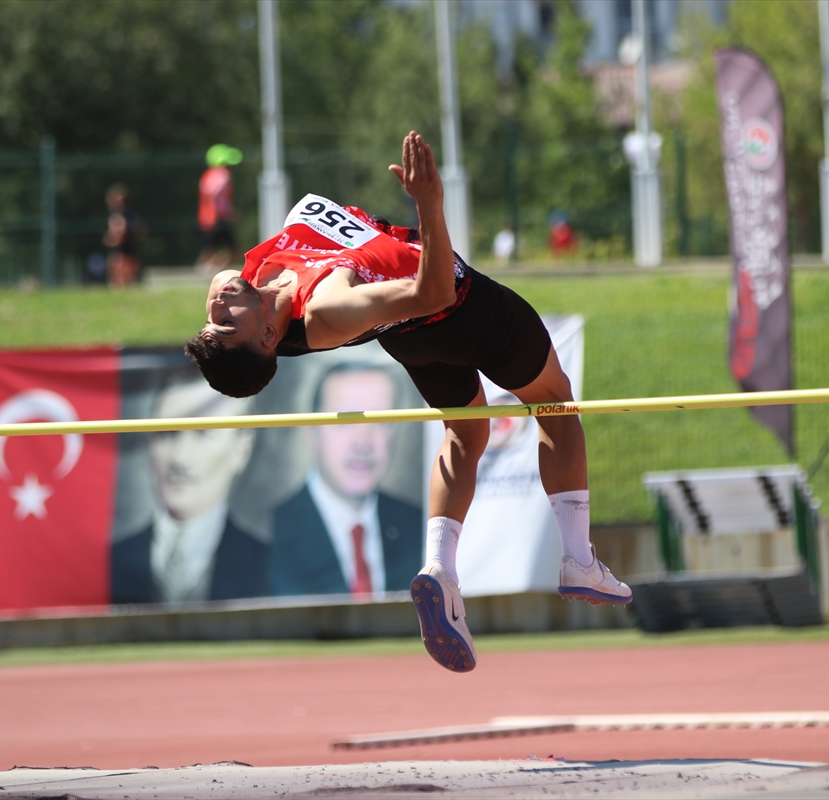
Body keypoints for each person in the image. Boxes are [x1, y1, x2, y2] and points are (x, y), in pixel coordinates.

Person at [185, 132, 631, 673]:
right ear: (266, 340)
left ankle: (439, 570)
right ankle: (578, 559)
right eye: (225, 322)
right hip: (465, 310)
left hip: (414, 339)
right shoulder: (327, 309)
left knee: (466, 433)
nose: (219, 304)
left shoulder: (254, 281)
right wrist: (430, 206)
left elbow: (236, 277)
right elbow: (433, 293)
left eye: (211, 316)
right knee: (554, 404)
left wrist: (225, 306)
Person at [111, 368, 268, 604]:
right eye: (167, 434)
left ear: (242, 449)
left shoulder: (268, 561)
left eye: (203, 434)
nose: (180, 459)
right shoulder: (111, 560)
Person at [269, 362, 423, 597]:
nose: (363, 442)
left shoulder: (419, 525)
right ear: (313, 432)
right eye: (346, 421)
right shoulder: (267, 532)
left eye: (381, 421)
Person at [197, 144, 241, 271]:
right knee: (233, 250)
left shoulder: (207, 175)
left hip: (206, 217)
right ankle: (213, 269)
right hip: (218, 218)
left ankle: (208, 269)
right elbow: (217, 195)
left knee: (209, 249)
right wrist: (227, 213)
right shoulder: (223, 174)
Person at [103, 184, 146, 287]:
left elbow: (141, 232)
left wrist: (125, 231)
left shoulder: (131, 216)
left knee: (128, 282)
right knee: (117, 282)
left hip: (129, 253)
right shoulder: (110, 216)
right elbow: (108, 239)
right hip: (117, 255)